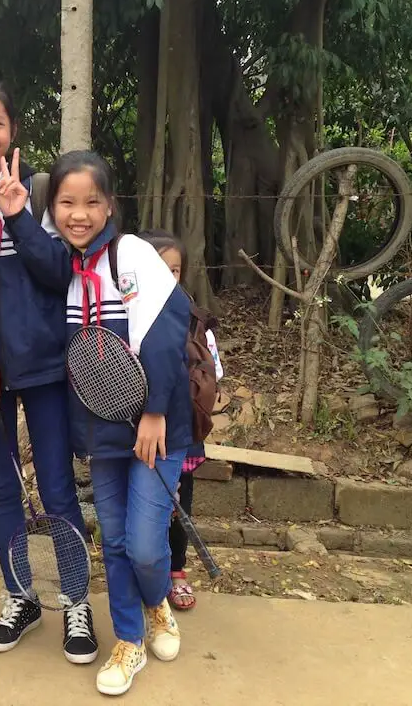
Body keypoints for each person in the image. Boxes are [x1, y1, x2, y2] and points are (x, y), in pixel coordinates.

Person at [6, 150, 193, 695]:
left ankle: (156, 601)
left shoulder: (130, 255)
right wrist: (18, 212)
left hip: (153, 427)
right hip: (98, 430)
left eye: (91, 202)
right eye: (66, 203)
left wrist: (155, 410)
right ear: (53, 209)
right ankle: (130, 639)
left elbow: (163, 331)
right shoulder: (65, 265)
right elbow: (37, 264)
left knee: (145, 546)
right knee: (112, 541)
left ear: (110, 205)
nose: (79, 214)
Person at [0, 76, 97, 663]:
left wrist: (17, 218)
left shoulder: (42, 194)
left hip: (44, 368)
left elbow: (61, 273)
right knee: (3, 485)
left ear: (13, 128)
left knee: (58, 488)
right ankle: (21, 597)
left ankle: (77, 603)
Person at [138, 229, 225, 612]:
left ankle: (176, 571)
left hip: (181, 430)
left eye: (174, 270)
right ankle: (143, 574)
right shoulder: (126, 312)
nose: (167, 277)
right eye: (158, 268)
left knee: (178, 505)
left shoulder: (193, 318)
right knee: (143, 509)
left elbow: (214, 369)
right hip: (136, 430)